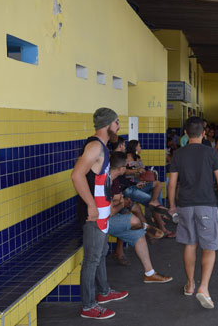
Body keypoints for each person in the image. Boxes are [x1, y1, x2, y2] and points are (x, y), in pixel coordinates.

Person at [71, 107, 127, 320]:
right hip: (92, 215)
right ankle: (88, 305)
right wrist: (91, 206)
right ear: (107, 125)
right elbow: (77, 176)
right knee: (92, 259)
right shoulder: (95, 146)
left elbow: (98, 180)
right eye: (116, 122)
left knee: (101, 252)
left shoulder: (103, 147)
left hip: (102, 213)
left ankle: (103, 293)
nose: (119, 126)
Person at [168, 117, 218, 309]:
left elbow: (172, 184)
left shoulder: (178, 154)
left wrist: (172, 205)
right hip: (207, 205)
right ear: (204, 133)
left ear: (185, 133)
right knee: (209, 246)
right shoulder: (211, 152)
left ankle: (190, 284)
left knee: (190, 244)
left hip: (185, 205)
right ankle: (204, 286)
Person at [108, 152, 173, 283]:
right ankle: (146, 226)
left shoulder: (113, 179)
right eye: (126, 167)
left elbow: (115, 202)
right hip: (100, 222)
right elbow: (109, 211)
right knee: (133, 219)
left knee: (138, 234)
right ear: (121, 169)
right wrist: (122, 204)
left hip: (111, 215)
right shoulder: (104, 181)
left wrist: (122, 202)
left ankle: (149, 273)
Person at [124, 140, 175, 238]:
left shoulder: (137, 158)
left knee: (156, 188)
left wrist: (144, 175)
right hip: (132, 188)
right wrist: (137, 171)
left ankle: (152, 231)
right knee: (154, 204)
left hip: (139, 186)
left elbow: (139, 174)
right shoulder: (127, 158)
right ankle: (160, 230)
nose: (141, 147)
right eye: (139, 145)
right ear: (134, 147)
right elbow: (125, 172)